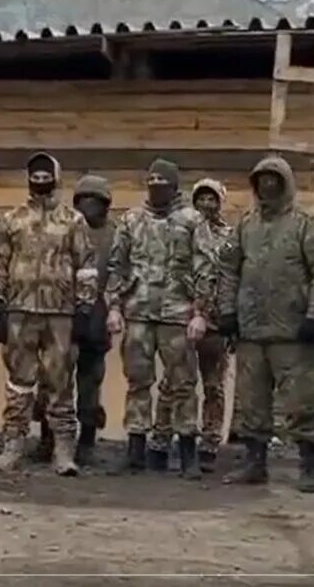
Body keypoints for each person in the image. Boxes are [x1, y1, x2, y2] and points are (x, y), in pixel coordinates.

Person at [217, 157, 314, 492]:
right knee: (251, 401)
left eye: (274, 180)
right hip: (252, 331)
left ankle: (309, 466)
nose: (267, 186)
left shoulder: (307, 226)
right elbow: (228, 269)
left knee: (302, 400)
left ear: (285, 183)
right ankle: (255, 463)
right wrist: (227, 311)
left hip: (294, 331)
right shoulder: (245, 226)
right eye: (261, 181)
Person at [0, 153, 95, 476]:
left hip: (60, 311)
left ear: (57, 178)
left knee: (59, 380)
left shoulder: (73, 221)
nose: (41, 179)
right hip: (19, 310)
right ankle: (12, 445)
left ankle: (63, 449)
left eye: (47, 174)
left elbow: (86, 265)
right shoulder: (10, 220)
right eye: (36, 173)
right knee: (19, 381)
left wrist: (85, 307)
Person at [105, 158, 210, 478]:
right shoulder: (131, 220)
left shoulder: (192, 221)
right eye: (151, 180)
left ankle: (188, 452)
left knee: (183, 384)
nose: (156, 186)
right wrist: (113, 306)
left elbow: (205, 268)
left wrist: (200, 313)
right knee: (137, 381)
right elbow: (117, 266)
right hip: (138, 311)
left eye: (162, 181)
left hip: (177, 314)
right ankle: (135, 450)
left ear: (174, 185)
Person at [151, 179, 232, 472]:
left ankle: (210, 442)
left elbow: (231, 278)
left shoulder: (230, 237)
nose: (207, 204)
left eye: (213, 199)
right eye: (202, 198)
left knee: (214, 385)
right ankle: (161, 437)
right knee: (173, 382)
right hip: (181, 316)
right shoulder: (180, 228)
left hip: (216, 322)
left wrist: (228, 319)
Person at [70, 174, 115, 467]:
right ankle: (53, 438)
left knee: (90, 383)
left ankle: (87, 439)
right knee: (56, 382)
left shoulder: (116, 234)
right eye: (83, 200)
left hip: (99, 318)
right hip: (65, 316)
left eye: (95, 200)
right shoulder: (68, 229)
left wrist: (113, 308)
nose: (89, 205)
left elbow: (121, 271)